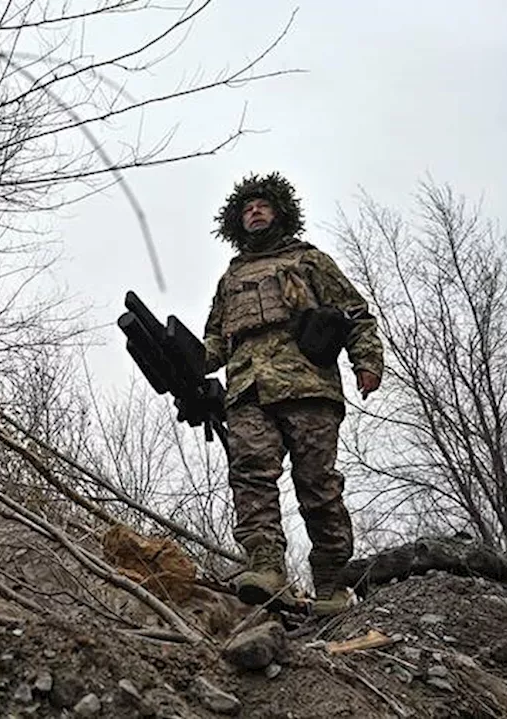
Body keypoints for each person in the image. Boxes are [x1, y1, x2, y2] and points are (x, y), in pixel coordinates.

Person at [201, 172, 383, 616]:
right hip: (248, 390)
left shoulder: (309, 261)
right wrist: (183, 362)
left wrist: (368, 361)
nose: (254, 212)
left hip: (307, 385)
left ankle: (331, 584)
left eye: (261, 206)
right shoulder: (232, 276)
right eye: (246, 209)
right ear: (236, 222)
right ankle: (265, 567)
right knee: (250, 477)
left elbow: (356, 313)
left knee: (317, 485)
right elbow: (214, 341)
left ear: (279, 211)